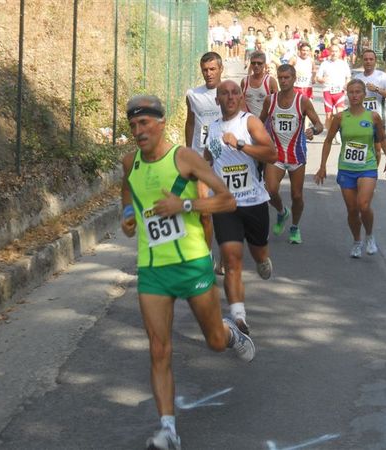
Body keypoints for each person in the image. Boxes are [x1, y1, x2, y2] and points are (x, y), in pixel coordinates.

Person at [121, 95, 255, 450]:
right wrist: (127, 219)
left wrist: (183, 204)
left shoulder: (183, 157)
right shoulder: (129, 163)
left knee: (213, 342)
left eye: (145, 123)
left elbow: (227, 200)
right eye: (134, 126)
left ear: (161, 123)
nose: (139, 131)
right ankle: (168, 430)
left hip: (192, 263)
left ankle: (229, 334)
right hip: (152, 270)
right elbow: (126, 193)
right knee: (158, 349)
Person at [206, 80, 277, 335]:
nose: (230, 97)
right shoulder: (212, 129)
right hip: (226, 205)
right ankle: (238, 317)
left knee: (258, 256)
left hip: (254, 202)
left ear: (241, 98)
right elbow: (208, 160)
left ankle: (262, 259)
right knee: (232, 260)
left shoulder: (249, 123)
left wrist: (240, 145)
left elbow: (271, 155)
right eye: (224, 93)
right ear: (218, 100)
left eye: (235, 92)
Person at [315, 79, 386, 257]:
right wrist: (322, 166)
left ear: (364, 95)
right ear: (347, 95)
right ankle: (357, 241)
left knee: (363, 205)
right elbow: (328, 141)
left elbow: (382, 138)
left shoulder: (373, 116)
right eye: (351, 92)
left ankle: (370, 236)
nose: (355, 95)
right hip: (346, 168)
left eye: (358, 91)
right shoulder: (340, 117)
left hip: (367, 166)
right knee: (352, 210)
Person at [259, 64, 324, 244]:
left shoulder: (302, 101)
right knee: (270, 190)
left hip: (296, 155)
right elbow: (258, 123)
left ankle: (295, 227)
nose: (283, 81)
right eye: (280, 78)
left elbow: (319, 124)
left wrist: (314, 131)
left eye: (287, 77)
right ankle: (282, 212)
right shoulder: (270, 101)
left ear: (294, 79)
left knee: (297, 195)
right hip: (276, 154)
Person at [185, 51, 224, 272]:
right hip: (202, 160)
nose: (208, 74)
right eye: (205, 70)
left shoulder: (229, 91)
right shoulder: (193, 94)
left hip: (225, 160)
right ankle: (207, 256)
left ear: (220, 69)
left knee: (227, 215)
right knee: (205, 213)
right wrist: (188, 152)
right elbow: (190, 123)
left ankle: (225, 257)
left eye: (212, 69)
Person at [353, 49, 386, 162]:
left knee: (377, 149)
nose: (368, 62)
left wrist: (377, 89)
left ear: (375, 61)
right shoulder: (357, 78)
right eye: (366, 59)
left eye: (371, 59)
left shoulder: (382, 76)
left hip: (377, 119)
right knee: (359, 147)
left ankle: (373, 173)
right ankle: (361, 171)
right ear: (362, 61)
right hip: (359, 119)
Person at [315, 44, 352, 132]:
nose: (334, 53)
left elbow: (348, 77)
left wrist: (347, 84)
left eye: (336, 51)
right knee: (329, 115)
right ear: (329, 52)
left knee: (339, 113)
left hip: (340, 91)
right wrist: (322, 79)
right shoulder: (324, 64)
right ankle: (329, 134)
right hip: (327, 91)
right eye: (332, 51)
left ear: (339, 53)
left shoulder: (343, 64)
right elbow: (318, 78)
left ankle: (339, 132)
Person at [241, 51, 279, 118]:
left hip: (265, 122)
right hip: (249, 122)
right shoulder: (244, 81)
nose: (256, 65)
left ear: (264, 64)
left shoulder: (271, 81)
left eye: (259, 63)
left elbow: (277, 103)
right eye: (253, 63)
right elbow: (240, 101)